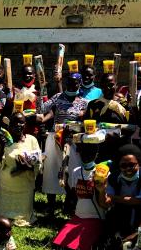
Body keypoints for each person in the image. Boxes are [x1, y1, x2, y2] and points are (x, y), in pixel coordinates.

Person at [40, 72, 87, 215]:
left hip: (73, 140)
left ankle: (70, 203)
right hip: (55, 137)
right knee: (52, 169)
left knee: (71, 170)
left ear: (80, 83)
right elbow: (42, 109)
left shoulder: (84, 102)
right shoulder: (57, 97)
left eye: (76, 82)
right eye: (70, 81)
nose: (73, 84)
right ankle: (51, 205)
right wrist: (42, 91)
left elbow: (84, 120)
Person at [52, 143, 106, 250]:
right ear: (79, 154)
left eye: (90, 153)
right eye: (83, 152)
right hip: (78, 216)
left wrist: (100, 189)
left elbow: (105, 202)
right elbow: (73, 194)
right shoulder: (76, 171)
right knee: (58, 245)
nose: (86, 155)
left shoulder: (102, 173)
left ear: (96, 155)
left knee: (78, 246)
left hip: (95, 218)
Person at [0, 112, 41, 226]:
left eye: (21, 122)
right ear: (9, 125)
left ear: (25, 124)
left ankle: (23, 215)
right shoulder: (5, 141)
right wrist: (0, 146)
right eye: (15, 122)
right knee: (3, 216)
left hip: (25, 185)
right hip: (7, 186)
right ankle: (4, 212)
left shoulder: (31, 140)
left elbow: (38, 163)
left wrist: (27, 167)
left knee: (23, 217)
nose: (18, 125)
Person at [103, 144, 141, 240]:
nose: (127, 169)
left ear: (138, 163)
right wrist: (102, 190)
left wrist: (114, 198)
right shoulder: (113, 177)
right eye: (123, 165)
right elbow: (107, 202)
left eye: (131, 165)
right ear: (119, 166)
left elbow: (140, 200)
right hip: (120, 214)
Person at [84, 73, 134, 161]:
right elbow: (86, 126)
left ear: (116, 85)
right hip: (98, 152)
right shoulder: (93, 105)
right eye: (104, 85)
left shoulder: (124, 105)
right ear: (101, 86)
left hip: (119, 152)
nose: (107, 88)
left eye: (111, 85)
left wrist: (114, 134)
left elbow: (131, 127)